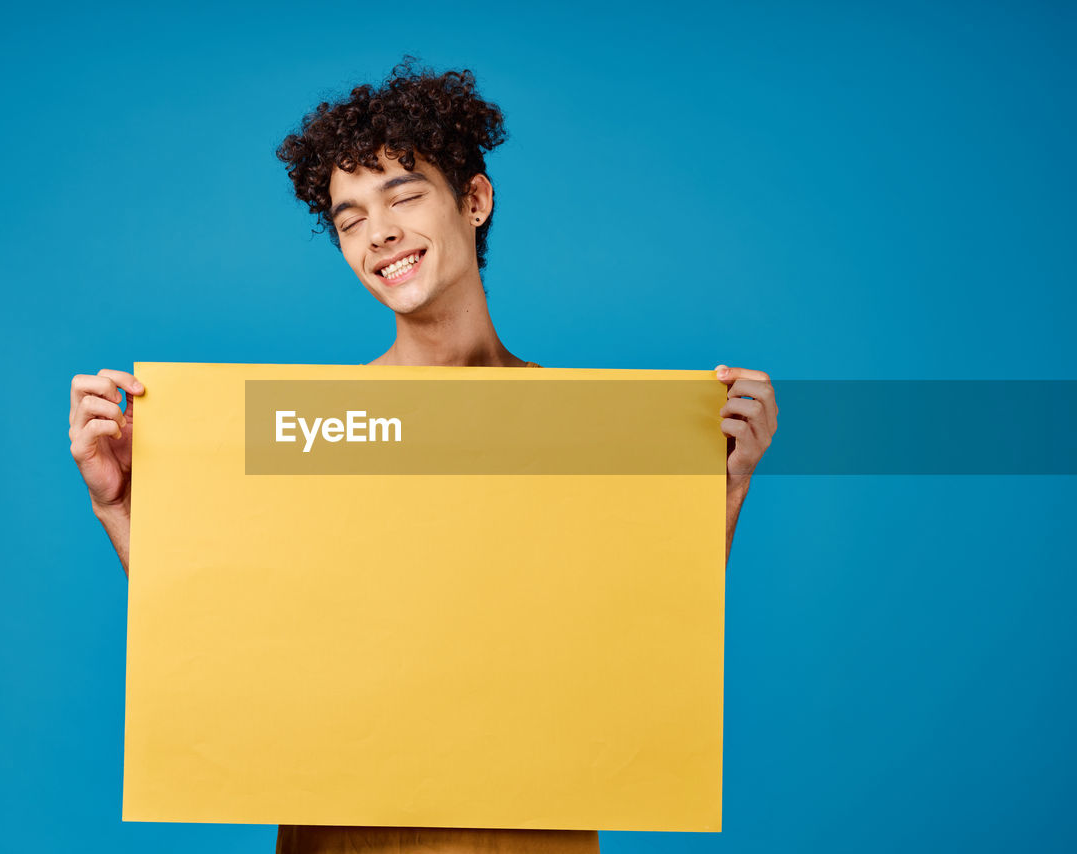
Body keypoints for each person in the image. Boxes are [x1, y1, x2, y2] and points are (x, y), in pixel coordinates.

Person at [67, 59, 778, 854]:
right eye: (349, 219)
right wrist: (122, 507)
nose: (380, 234)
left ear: (474, 200)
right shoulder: (307, 430)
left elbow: (633, 631)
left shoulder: (592, 427)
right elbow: (224, 626)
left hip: (530, 832)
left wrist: (716, 497)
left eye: (404, 195)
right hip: (339, 834)